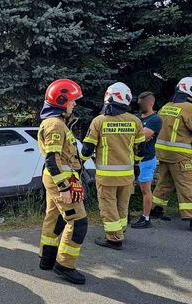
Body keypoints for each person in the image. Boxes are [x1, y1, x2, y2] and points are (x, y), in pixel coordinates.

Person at [80, 82, 145, 250]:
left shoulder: (99, 121)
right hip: (127, 175)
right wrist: (136, 163)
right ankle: (121, 230)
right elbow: (141, 149)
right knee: (122, 205)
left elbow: (87, 149)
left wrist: (80, 161)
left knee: (108, 206)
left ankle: (114, 238)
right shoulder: (135, 121)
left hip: (106, 176)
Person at [151, 77, 192, 232]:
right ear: (191, 91)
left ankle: (155, 209)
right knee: (187, 185)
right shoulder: (190, 109)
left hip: (163, 153)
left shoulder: (166, 107)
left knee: (164, 182)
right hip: (180, 156)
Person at [37, 79, 88, 285]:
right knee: (78, 222)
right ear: (61, 100)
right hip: (61, 180)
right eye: (72, 100)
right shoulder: (55, 124)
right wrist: (64, 187)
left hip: (58, 178)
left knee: (54, 217)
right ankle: (65, 265)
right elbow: (52, 159)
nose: (74, 104)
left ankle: (47, 259)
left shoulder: (55, 122)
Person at [131, 92, 162, 229]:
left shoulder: (155, 119)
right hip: (133, 159)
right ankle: (125, 214)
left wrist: (137, 134)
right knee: (128, 187)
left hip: (147, 159)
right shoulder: (136, 118)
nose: (140, 104)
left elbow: (144, 136)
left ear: (151, 103)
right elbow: (137, 135)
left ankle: (146, 217)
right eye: (139, 101)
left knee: (145, 189)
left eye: (143, 102)